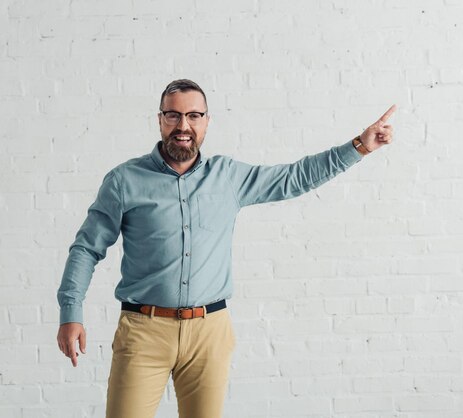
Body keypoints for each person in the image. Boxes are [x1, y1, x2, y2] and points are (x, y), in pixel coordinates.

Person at [56, 78, 396, 418]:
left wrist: (359, 147)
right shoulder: (124, 180)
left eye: (194, 115)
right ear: (160, 119)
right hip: (144, 332)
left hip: (210, 333)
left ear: (206, 121)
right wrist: (71, 312)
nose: (183, 126)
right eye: (173, 116)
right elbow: (86, 248)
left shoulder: (228, 177)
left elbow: (295, 177)